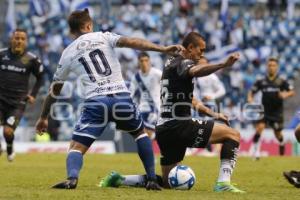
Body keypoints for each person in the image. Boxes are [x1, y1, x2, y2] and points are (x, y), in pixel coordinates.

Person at [35, 9, 183, 190]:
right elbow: (133, 42)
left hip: (96, 102)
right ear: (88, 26)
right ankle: (152, 179)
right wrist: (162, 49)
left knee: (76, 147)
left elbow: (54, 90)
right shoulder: (103, 36)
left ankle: (72, 179)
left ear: (71, 31)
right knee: (140, 134)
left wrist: (43, 117)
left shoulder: (67, 53)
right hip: (121, 97)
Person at [100, 32, 245, 193]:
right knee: (233, 135)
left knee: (168, 182)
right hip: (180, 125)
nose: (202, 54)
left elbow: (190, 100)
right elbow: (195, 71)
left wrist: (214, 114)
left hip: (164, 129)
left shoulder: (170, 64)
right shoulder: (184, 63)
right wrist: (222, 65)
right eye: (201, 50)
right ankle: (223, 183)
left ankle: (121, 179)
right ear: (190, 48)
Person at [0, 29, 44, 162]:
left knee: (7, 132)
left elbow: (40, 78)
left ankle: (9, 146)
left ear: (26, 41)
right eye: (17, 38)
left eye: (22, 39)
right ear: (11, 39)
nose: (19, 41)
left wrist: (33, 94)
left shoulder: (31, 59)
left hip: (17, 103)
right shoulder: (1, 55)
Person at [248, 57, 295, 159]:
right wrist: (250, 99)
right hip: (264, 110)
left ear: (277, 67)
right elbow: (251, 91)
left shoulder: (281, 81)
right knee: (259, 128)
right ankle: (256, 153)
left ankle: (282, 143)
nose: (271, 67)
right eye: (269, 65)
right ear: (266, 67)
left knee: (277, 133)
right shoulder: (261, 81)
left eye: (273, 65)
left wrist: (285, 95)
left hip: (277, 112)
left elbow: (292, 91)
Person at [193, 56, 226, 155]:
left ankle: (215, 150)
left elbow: (222, 90)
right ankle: (206, 149)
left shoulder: (211, 76)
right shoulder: (194, 76)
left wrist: (212, 96)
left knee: (210, 127)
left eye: (204, 63)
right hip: (197, 104)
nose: (202, 65)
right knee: (198, 126)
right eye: (200, 63)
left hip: (209, 104)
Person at [129, 52, 162, 139]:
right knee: (142, 134)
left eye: (146, 60)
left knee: (147, 133)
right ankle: (160, 139)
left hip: (155, 108)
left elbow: (168, 84)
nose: (144, 63)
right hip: (142, 108)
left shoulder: (157, 73)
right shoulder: (136, 77)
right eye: (142, 61)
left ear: (150, 61)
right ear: (138, 62)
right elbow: (131, 95)